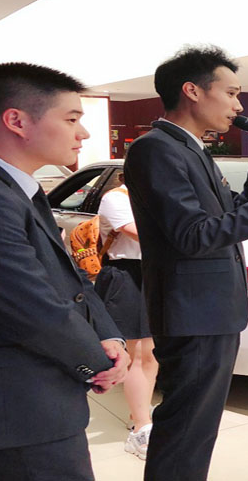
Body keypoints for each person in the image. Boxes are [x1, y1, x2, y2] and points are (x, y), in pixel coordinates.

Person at [123, 45, 248, 481]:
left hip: (210, 308)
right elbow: (193, 235)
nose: (239, 106)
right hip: (192, 310)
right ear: (193, 91)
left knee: (196, 427)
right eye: (232, 93)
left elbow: (226, 214)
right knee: (186, 428)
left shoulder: (190, 149)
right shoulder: (156, 149)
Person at [0, 62, 129, 481]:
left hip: (32, 402)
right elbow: (31, 307)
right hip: (10, 411)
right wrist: (97, 360)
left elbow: (71, 277)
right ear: (17, 121)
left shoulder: (12, 188)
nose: (83, 133)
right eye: (72, 119)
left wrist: (109, 336)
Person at [95, 172, 158, 460]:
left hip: (151, 274)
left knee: (151, 354)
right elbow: (141, 234)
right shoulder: (116, 198)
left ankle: (140, 414)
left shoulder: (154, 197)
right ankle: (141, 428)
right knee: (135, 354)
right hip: (125, 275)